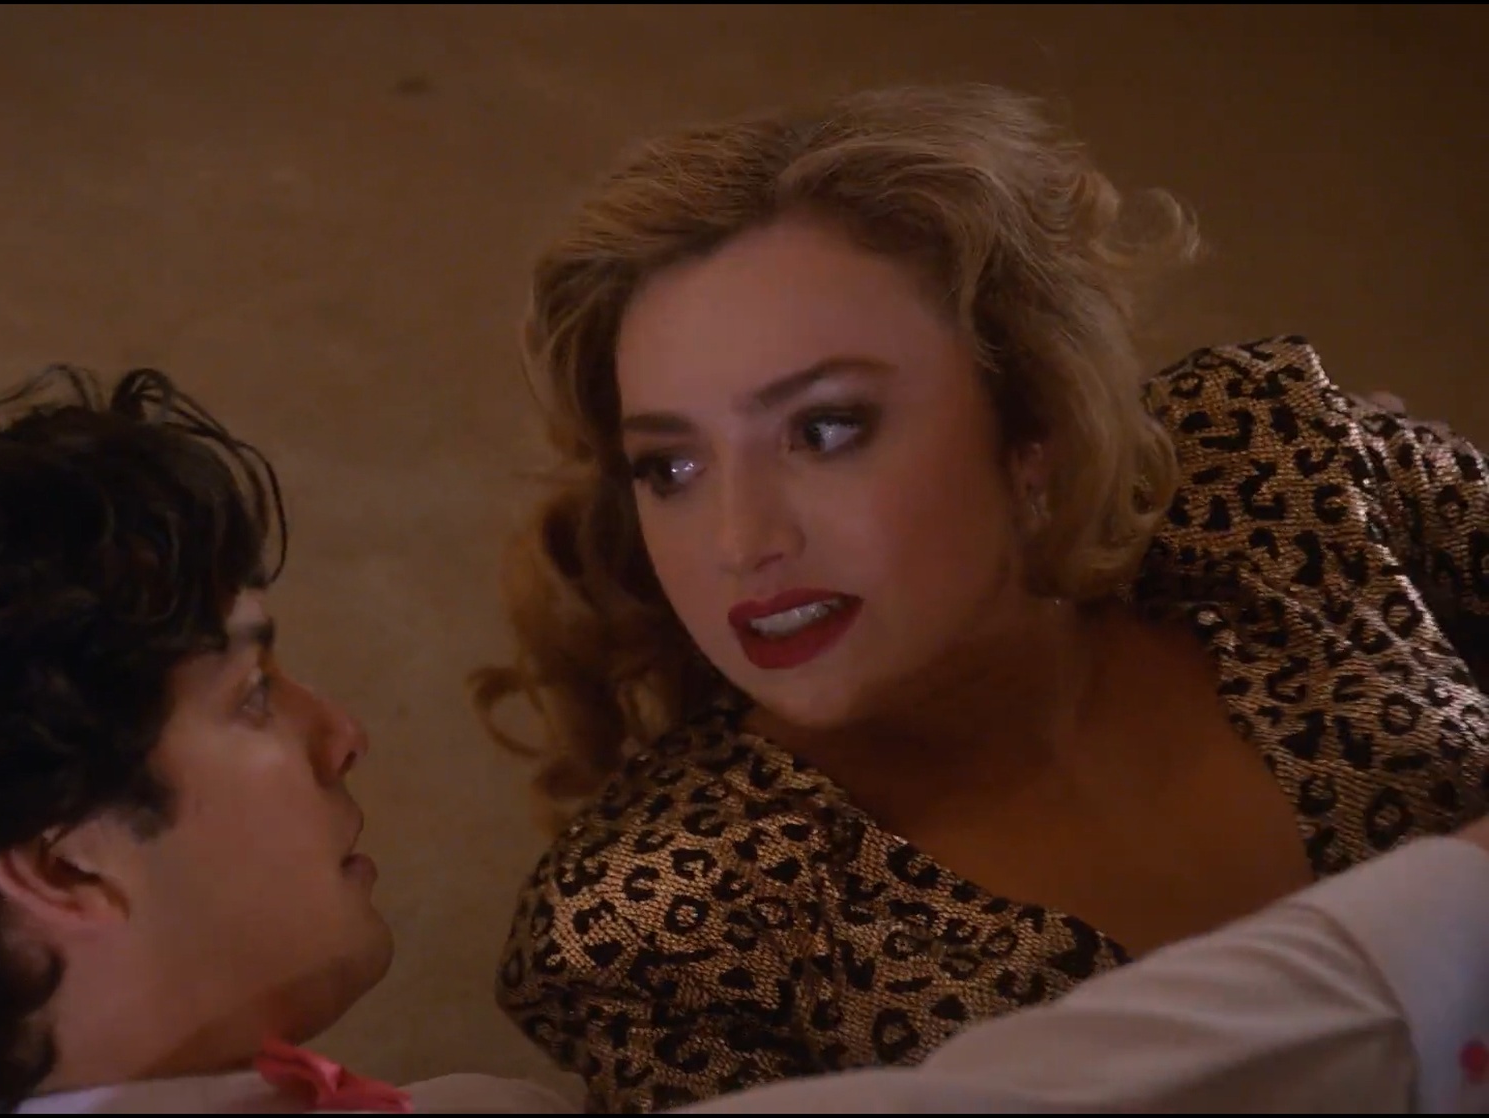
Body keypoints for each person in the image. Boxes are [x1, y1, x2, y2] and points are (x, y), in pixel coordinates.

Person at [0, 364, 1489, 1117]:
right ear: (65, 859)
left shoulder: (1271, 461)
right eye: (250, 693)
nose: (339, 732)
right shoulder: (645, 927)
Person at [473, 82, 1489, 1111]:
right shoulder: (654, 921)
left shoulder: (1279, 462)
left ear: (1032, 422)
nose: (740, 542)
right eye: (672, 468)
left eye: (824, 429)